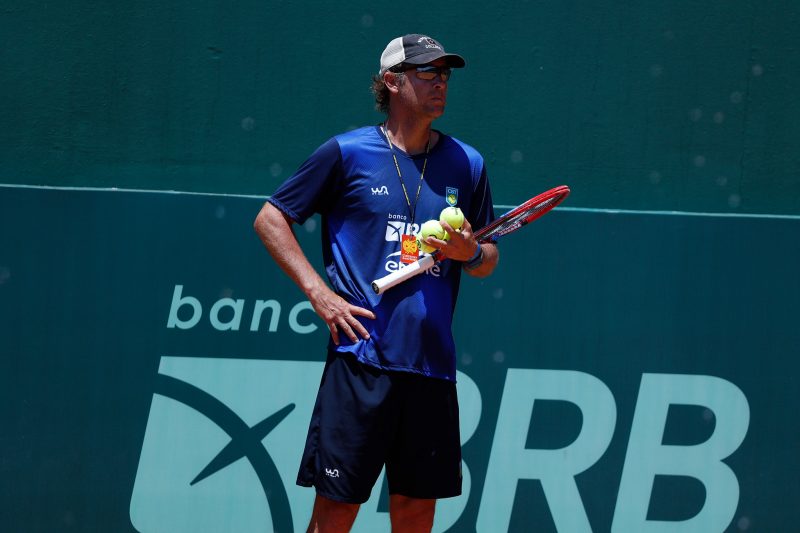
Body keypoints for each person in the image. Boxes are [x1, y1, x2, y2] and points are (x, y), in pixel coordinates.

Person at [253, 33, 499, 533]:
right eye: (427, 73)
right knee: (336, 512)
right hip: (361, 362)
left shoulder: (467, 163)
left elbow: (487, 258)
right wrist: (321, 295)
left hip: (432, 369)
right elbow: (270, 218)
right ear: (391, 81)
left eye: (445, 75)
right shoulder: (346, 153)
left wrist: (470, 252)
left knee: (416, 514)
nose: (440, 84)